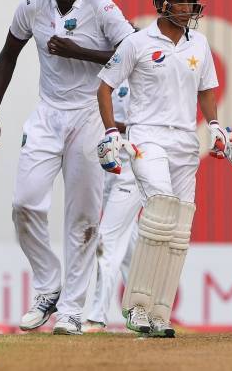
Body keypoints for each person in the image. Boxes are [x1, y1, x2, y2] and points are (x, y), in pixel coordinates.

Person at [0, 0, 135, 334]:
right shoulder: (32, 7)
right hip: (48, 114)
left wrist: (79, 52)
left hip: (89, 114)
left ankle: (70, 310)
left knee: (83, 218)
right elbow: (7, 56)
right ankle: (49, 285)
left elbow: (134, 52)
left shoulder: (101, 9)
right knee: (24, 203)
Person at [96, 0, 224, 337]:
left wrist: (215, 126)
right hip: (146, 138)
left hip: (185, 141)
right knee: (161, 212)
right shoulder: (137, 43)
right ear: (162, 4)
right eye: (181, 1)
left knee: (179, 229)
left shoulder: (198, 44)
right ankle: (136, 308)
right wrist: (110, 132)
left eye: (191, 2)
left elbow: (207, 90)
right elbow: (104, 88)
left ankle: (159, 311)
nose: (188, 8)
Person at [82, 83, 140, 333]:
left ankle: (97, 315)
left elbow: (148, 121)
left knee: (107, 238)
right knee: (129, 245)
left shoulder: (142, 68)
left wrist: (109, 123)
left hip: (131, 166)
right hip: (106, 167)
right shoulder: (104, 73)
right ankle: (143, 309)